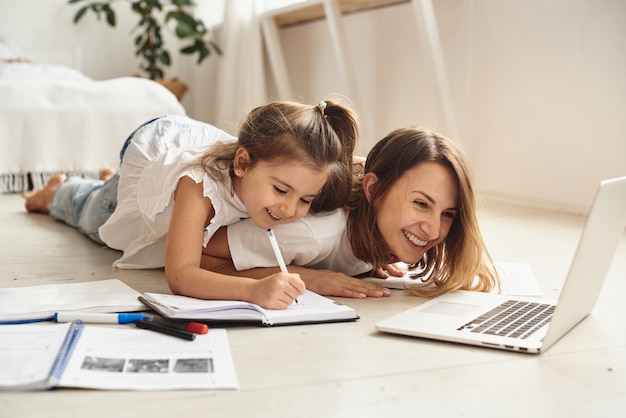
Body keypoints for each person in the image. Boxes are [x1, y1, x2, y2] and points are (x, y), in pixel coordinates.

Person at [24, 99, 366, 309]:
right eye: (281, 190)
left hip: (194, 150)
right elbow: (181, 275)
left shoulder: (268, 177)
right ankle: (61, 189)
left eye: (305, 199)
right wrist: (254, 290)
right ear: (243, 165)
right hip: (152, 158)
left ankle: (106, 177)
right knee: (92, 214)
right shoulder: (199, 187)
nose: (290, 210)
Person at [201, 126, 500, 299]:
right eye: (421, 204)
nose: (434, 231)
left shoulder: (375, 233)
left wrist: (371, 258)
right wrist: (308, 277)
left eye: (448, 214)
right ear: (372, 190)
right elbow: (204, 253)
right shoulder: (313, 234)